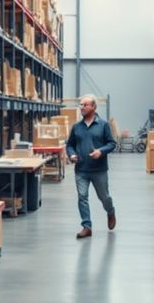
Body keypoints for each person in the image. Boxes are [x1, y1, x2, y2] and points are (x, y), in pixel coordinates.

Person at [66, 94, 118, 239]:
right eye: (81, 105)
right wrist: (71, 155)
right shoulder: (76, 127)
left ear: (94, 107)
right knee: (82, 197)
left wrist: (101, 151)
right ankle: (86, 226)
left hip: (99, 170)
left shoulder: (103, 125)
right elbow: (70, 144)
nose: (82, 107)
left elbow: (112, 144)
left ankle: (110, 211)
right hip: (81, 169)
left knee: (104, 197)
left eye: (85, 105)